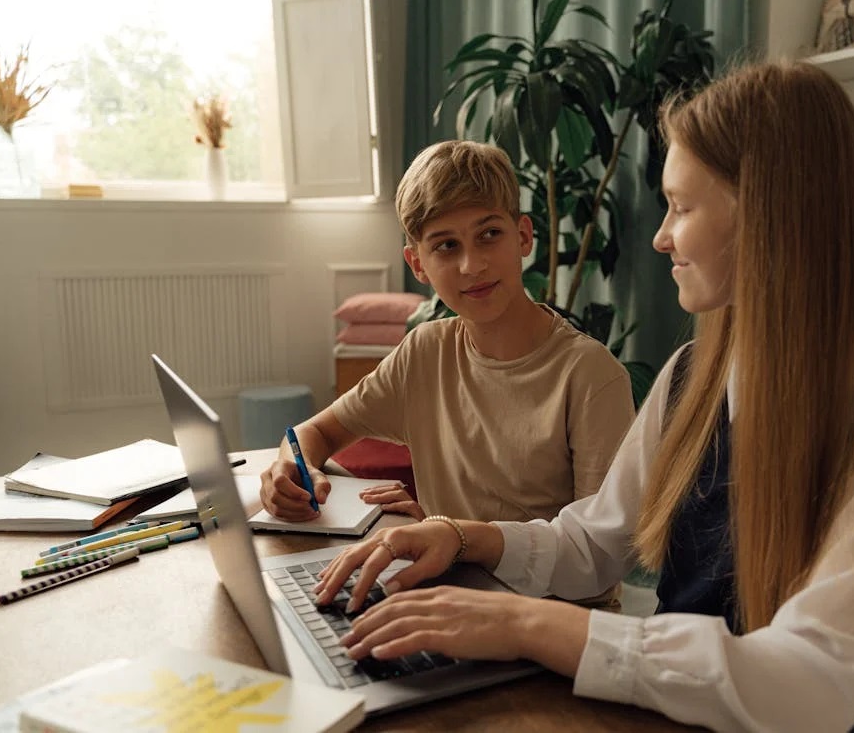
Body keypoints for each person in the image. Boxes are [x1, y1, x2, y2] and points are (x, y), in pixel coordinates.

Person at [310, 61, 854, 733]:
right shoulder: (693, 373)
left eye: (681, 206)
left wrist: (523, 623)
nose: (661, 236)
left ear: (771, 212)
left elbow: (807, 685)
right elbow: (592, 544)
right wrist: (459, 537)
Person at [260, 140, 635, 538]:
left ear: (523, 236)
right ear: (418, 263)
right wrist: (290, 466)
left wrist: (449, 535)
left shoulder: (590, 375)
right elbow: (316, 432)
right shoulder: (424, 352)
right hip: (445, 582)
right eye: (446, 246)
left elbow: (598, 553)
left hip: (544, 601)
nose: (472, 265)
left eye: (489, 234)